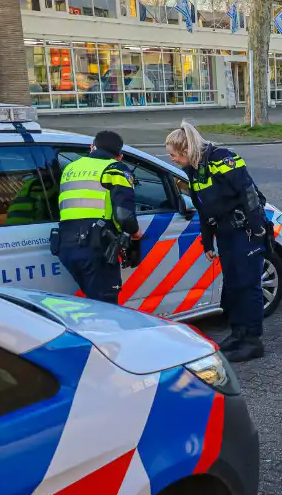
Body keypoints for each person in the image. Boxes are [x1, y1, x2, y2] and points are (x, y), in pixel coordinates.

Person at [165, 121, 268, 362]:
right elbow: (203, 209)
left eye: (173, 154)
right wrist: (207, 242)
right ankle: (238, 333)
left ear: (186, 150)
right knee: (233, 286)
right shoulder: (194, 169)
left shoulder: (223, 159)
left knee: (248, 286)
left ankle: (252, 341)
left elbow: (248, 192)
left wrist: (257, 230)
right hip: (225, 233)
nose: (171, 159)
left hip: (246, 231)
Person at [55, 130, 141, 304]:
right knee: (106, 305)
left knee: (93, 302)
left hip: (66, 244)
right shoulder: (115, 168)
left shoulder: (70, 168)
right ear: (120, 156)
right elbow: (124, 215)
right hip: (95, 246)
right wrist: (135, 233)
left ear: (92, 147)